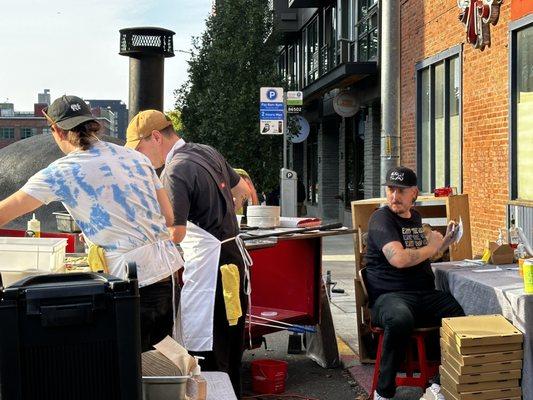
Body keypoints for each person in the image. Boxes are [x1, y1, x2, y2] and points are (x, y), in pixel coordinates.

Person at [0, 95, 183, 352]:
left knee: (120, 371)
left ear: (56, 130)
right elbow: (168, 216)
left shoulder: (61, 172)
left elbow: (5, 212)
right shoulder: (136, 158)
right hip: (169, 274)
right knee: (158, 367)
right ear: (92, 124)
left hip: (130, 283)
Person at [124, 110, 250, 397]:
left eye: (140, 149)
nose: (141, 157)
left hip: (208, 271)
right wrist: (226, 214)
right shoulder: (206, 151)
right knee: (230, 340)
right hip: (232, 259)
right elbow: (242, 189)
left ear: (155, 137)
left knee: (206, 345)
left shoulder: (175, 170)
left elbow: (176, 232)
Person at [364, 166, 465, 400]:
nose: (394, 196)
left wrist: (443, 243)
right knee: (400, 318)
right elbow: (399, 258)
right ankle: (384, 392)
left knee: (459, 317)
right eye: (390, 189)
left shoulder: (416, 218)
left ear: (414, 193)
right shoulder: (381, 219)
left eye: (401, 191)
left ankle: (440, 385)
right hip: (389, 297)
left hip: (422, 294)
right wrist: (433, 245)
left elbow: (421, 254)